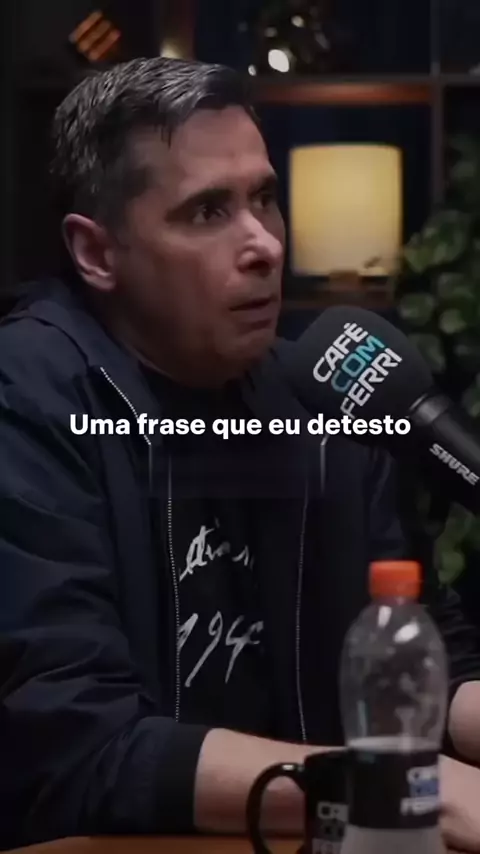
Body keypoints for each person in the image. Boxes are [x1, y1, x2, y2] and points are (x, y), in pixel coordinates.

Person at [1, 56, 480, 851]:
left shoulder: (322, 399)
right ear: (97, 253)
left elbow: (429, 659)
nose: (262, 243)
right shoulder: (26, 402)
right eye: (207, 212)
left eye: (264, 198)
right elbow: (77, 744)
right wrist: (407, 791)